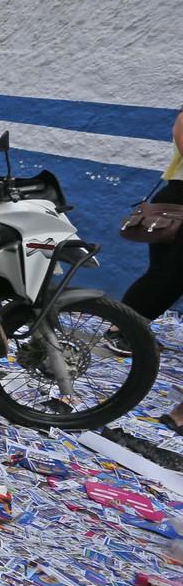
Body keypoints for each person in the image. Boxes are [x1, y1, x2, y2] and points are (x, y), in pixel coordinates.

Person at [116, 111, 183, 410]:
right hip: (180, 196)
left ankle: (127, 328)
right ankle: (123, 329)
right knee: (170, 273)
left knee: (165, 272)